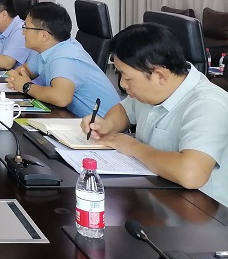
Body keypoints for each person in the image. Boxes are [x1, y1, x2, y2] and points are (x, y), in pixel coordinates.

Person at [84, 23, 228, 206]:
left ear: (160, 75)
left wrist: (133, 147)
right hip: (159, 195)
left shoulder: (207, 105)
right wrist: (107, 125)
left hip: (204, 211)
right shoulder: (154, 90)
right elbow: (124, 110)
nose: (122, 85)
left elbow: (191, 174)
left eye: (127, 78)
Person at [6, 2, 119, 117]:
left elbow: (61, 98)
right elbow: (24, 70)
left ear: (44, 36)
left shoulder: (64, 56)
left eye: (26, 27)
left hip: (103, 125)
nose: (23, 32)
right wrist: (20, 78)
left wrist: (27, 86)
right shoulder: (51, 49)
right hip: (76, 119)